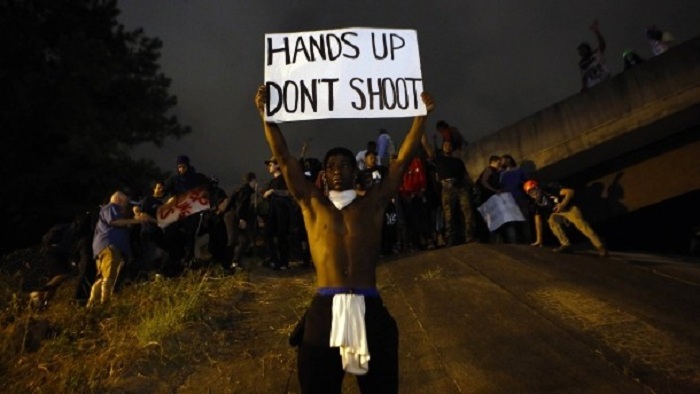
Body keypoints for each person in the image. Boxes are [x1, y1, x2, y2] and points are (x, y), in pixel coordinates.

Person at [255, 84, 434, 393]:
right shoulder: (313, 204)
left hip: (369, 306)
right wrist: (267, 117)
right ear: (324, 175)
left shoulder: (372, 204)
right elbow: (284, 158)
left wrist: (420, 117)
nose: (337, 170)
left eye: (345, 165)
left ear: (355, 171)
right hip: (325, 308)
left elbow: (402, 161)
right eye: (331, 166)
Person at [87, 191, 152, 307]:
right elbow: (114, 222)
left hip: (103, 247)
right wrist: (136, 221)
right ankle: (105, 304)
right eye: (125, 203)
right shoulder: (111, 207)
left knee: (102, 277)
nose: (125, 206)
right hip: (111, 245)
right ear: (118, 201)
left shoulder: (111, 211)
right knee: (110, 276)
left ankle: (91, 304)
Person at [524, 180, 608, 257]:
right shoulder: (536, 204)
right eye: (530, 192)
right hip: (558, 213)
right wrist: (539, 240)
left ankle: (600, 246)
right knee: (552, 220)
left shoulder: (549, 190)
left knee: (582, 225)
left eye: (533, 190)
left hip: (569, 209)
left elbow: (570, 192)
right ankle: (565, 244)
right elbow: (538, 222)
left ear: (538, 188)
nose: (533, 193)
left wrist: (563, 204)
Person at [423, 138, 476, 246]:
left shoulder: (458, 161)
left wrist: (473, 186)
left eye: (449, 145)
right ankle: (450, 239)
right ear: (442, 148)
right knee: (448, 214)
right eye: (445, 145)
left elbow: (466, 176)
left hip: (461, 186)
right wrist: (422, 132)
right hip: (447, 187)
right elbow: (427, 147)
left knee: (467, 211)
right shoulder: (438, 159)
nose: (448, 146)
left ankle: (469, 236)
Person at [263, 156, 294, 270]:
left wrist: (273, 191)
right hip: (272, 212)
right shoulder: (272, 181)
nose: (269, 167)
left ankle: (284, 263)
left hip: (282, 212)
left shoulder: (285, 179)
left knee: (282, 236)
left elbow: (289, 193)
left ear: (277, 165)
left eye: (271, 164)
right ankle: (274, 260)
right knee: (267, 235)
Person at [578, 20, 610, 91]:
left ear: (587, 48)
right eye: (580, 50)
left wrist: (597, 32)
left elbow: (602, 45)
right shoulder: (582, 63)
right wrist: (584, 87)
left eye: (583, 49)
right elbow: (584, 76)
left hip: (604, 80)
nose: (581, 51)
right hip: (592, 86)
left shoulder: (596, 54)